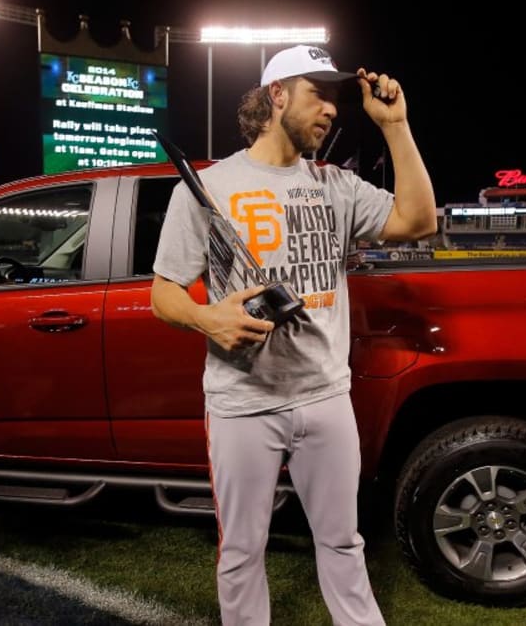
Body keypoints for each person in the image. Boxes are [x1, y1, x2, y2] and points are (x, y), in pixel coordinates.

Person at [150, 44, 437, 625]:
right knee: (241, 552)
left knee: (343, 543)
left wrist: (397, 128)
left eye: (335, 97)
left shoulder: (336, 186)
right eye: (318, 93)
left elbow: (418, 219)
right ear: (276, 95)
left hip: (326, 397)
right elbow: (164, 293)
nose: (332, 108)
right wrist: (208, 318)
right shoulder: (208, 187)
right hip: (242, 404)